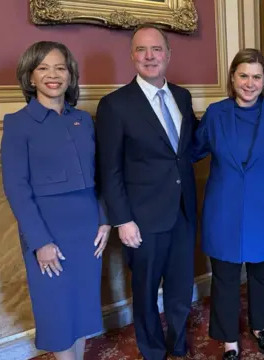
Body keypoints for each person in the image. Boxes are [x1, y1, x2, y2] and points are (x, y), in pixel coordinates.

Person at [0, 41, 110, 360]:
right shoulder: (18, 123)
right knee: (57, 310)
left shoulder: (83, 120)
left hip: (87, 230)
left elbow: (99, 175)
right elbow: (16, 188)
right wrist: (40, 241)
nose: (53, 75)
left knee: (81, 307)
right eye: (43, 68)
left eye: (60, 67)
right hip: (49, 232)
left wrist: (104, 219)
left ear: (70, 75)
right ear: (30, 77)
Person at [95, 24, 199, 360]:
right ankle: (153, 351)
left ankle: (178, 345)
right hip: (142, 220)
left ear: (169, 54)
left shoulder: (182, 96)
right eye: (141, 50)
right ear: (132, 56)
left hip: (183, 213)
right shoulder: (114, 105)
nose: (150, 56)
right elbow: (109, 170)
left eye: (156, 49)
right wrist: (122, 220)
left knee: (181, 290)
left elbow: (186, 150)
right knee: (144, 293)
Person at [193, 48, 264, 360]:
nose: (249, 83)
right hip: (223, 210)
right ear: (232, 78)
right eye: (243, 75)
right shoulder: (215, 113)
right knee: (224, 277)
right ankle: (229, 341)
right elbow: (192, 150)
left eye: (256, 77)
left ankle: (260, 327)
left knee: (262, 273)